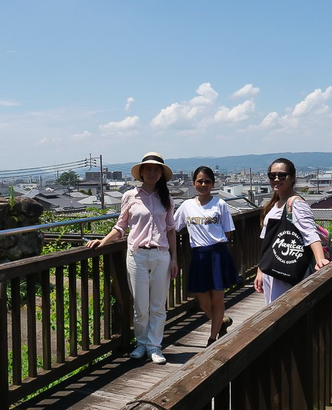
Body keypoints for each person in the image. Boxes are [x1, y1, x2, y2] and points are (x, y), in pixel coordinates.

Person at [86, 152, 178, 365]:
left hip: (161, 254)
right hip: (137, 254)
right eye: (148, 169)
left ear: (161, 174)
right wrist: (103, 240)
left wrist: (174, 259)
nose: (152, 173)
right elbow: (121, 226)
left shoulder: (167, 198)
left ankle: (155, 346)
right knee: (140, 304)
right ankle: (142, 343)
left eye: (157, 169)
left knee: (157, 305)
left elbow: (171, 230)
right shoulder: (129, 196)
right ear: (141, 172)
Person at [174, 166, 239, 347]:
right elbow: (172, 227)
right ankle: (221, 322)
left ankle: (212, 339)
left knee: (217, 299)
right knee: (203, 302)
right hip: (198, 255)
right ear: (194, 183)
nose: (203, 184)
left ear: (213, 183)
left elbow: (228, 232)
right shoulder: (186, 206)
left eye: (207, 181)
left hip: (217, 254)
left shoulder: (220, 204)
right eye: (200, 181)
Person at [254, 158, 330, 304]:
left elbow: (310, 233)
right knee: (272, 309)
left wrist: (320, 259)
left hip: (288, 268)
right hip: (273, 269)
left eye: (281, 175)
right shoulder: (273, 205)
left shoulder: (296, 204)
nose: (276, 179)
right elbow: (267, 243)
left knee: (283, 310)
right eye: (272, 175)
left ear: (293, 177)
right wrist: (261, 270)